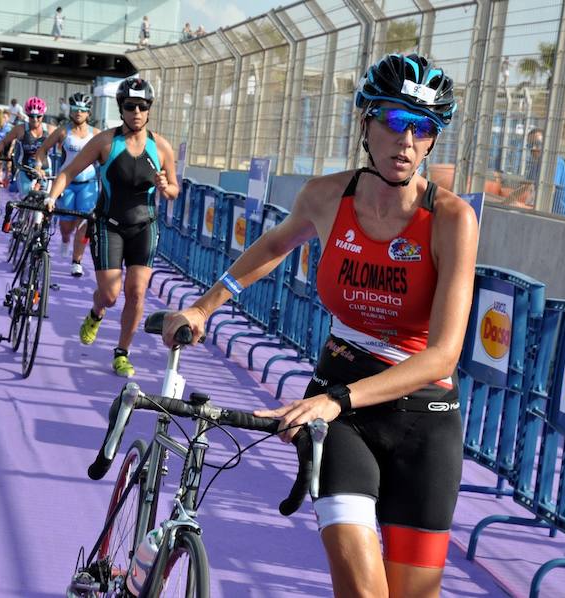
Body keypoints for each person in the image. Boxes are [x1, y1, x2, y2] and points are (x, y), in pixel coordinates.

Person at [160, 53, 477, 597]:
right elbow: (273, 247)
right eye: (395, 121)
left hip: (424, 420)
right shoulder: (327, 198)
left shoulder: (451, 220)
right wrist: (203, 307)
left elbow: (444, 356)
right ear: (365, 123)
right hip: (342, 416)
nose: (407, 141)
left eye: (423, 129)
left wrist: (340, 399)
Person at [43, 78, 179, 377]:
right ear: (121, 108)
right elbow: (68, 172)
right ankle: (96, 313)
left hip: (145, 227)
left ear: (149, 110)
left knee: (137, 292)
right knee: (110, 294)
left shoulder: (162, 147)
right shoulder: (106, 142)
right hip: (109, 225)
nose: (137, 112)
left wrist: (165, 186)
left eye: (143, 107)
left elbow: (174, 192)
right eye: (130, 107)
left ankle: (122, 353)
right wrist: (52, 197)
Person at [36, 92, 100, 277]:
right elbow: (42, 150)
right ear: (70, 112)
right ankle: (65, 240)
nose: (78, 113)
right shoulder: (63, 131)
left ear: (88, 113)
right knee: (67, 226)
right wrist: (40, 165)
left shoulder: (96, 134)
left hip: (88, 185)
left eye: (82, 110)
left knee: (84, 224)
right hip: (67, 184)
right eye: (75, 110)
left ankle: (76, 261)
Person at [0, 97, 50, 197]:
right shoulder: (20, 129)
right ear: (27, 115)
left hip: (44, 171)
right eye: (31, 116)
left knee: (44, 202)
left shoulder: (50, 129)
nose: (35, 119)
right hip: (25, 170)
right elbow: (4, 142)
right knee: (26, 198)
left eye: (38, 116)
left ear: (43, 115)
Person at [511, 127, 565, 217]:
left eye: (537, 144)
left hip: (561, 218)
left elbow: (547, 192)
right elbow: (524, 186)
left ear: (546, 144)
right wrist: (505, 203)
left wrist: (523, 207)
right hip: (547, 215)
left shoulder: (555, 162)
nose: (533, 148)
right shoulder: (536, 163)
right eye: (530, 145)